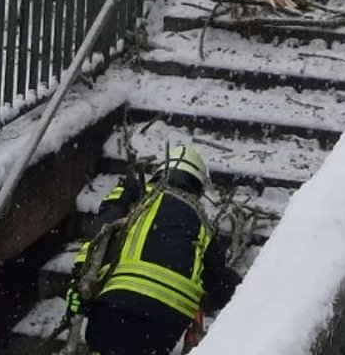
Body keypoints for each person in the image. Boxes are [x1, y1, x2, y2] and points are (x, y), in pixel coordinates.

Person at [66, 143, 240, 355]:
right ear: (198, 187)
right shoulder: (204, 224)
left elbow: (102, 229)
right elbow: (217, 284)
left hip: (118, 302)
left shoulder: (135, 192)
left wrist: (78, 280)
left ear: (159, 173)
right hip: (168, 317)